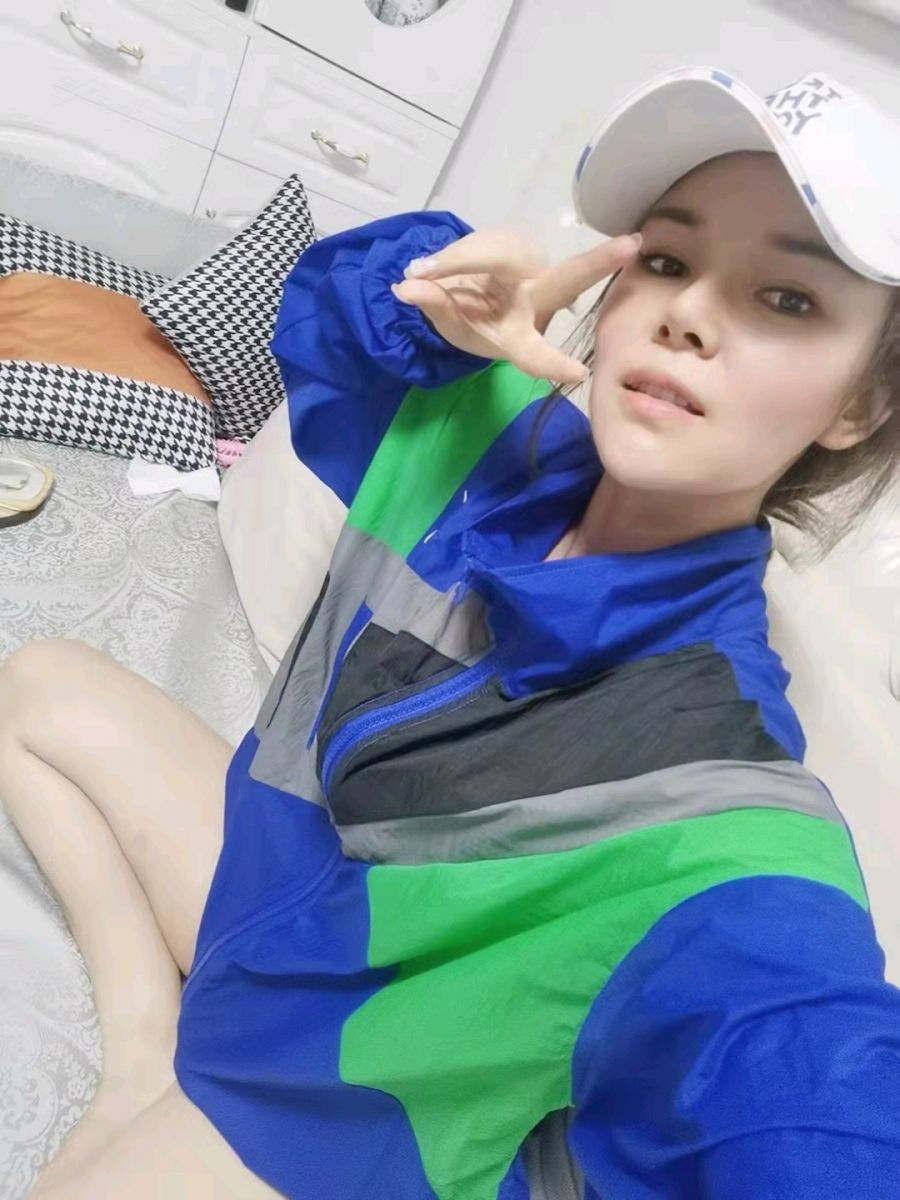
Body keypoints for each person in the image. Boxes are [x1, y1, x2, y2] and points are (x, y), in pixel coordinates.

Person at [1, 64, 898, 1200]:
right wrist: (431, 304)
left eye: (787, 300)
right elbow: (327, 327)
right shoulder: (486, 431)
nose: (688, 315)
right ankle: (141, 1057)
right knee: (36, 682)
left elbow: (807, 1082)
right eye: (669, 261)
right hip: (275, 911)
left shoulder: (725, 786)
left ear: (858, 404)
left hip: (349, 1106)